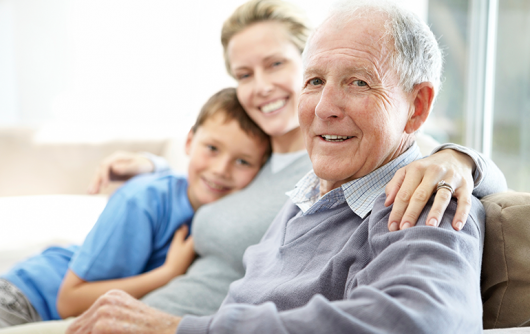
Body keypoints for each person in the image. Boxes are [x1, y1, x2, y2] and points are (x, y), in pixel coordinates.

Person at [0, 0, 506, 333]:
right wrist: (154, 168)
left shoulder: (417, 192)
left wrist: (463, 161)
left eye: (357, 81)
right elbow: (202, 174)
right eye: (315, 81)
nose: (325, 106)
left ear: (415, 107)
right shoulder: (297, 174)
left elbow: (424, 321)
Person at [0, 88, 271, 328]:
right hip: (23, 298)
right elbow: (68, 301)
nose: (221, 169)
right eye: (212, 148)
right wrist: (166, 274)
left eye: (243, 162)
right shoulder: (142, 200)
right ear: (189, 142)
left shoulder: (228, 214)